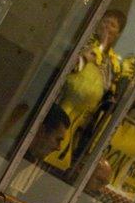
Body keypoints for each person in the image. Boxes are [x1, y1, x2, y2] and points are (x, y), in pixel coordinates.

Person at [45, 9, 128, 173]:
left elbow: (107, 91)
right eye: (105, 21)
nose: (106, 27)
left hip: (79, 122)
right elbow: (70, 66)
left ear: (118, 33)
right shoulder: (84, 41)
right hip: (58, 107)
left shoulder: (114, 63)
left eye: (112, 25)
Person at [8, 105, 71, 198]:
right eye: (58, 139)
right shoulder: (6, 152)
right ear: (41, 131)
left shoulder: (24, 157)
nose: (58, 148)